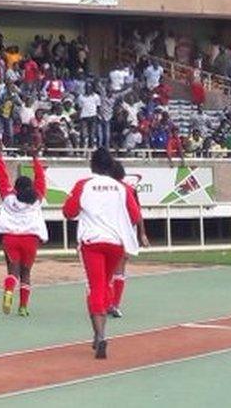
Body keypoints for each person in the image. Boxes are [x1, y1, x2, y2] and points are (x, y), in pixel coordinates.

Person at [63, 148, 145, 359]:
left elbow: (68, 212)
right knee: (106, 284)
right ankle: (98, 334)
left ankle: (100, 335)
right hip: (115, 243)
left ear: (92, 165)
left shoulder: (83, 185)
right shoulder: (122, 187)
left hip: (92, 242)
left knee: (95, 287)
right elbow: (135, 215)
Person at [0, 143, 48, 317]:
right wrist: (35, 159)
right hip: (30, 239)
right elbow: (41, 179)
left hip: (10, 238)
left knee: (13, 271)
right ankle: (23, 307)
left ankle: (9, 289)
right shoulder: (37, 198)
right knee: (26, 273)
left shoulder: (8, 197)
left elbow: (1, 177)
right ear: (31, 187)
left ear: (16, 188)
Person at [107, 161, 150, 318]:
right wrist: (142, 233)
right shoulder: (129, 189)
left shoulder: (108, 190)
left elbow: (136, 212)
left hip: (108, 231)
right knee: (119, 269)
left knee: (109, 270)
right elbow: (137, 213)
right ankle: (115, 304)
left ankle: (109, 302)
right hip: (123, 232)